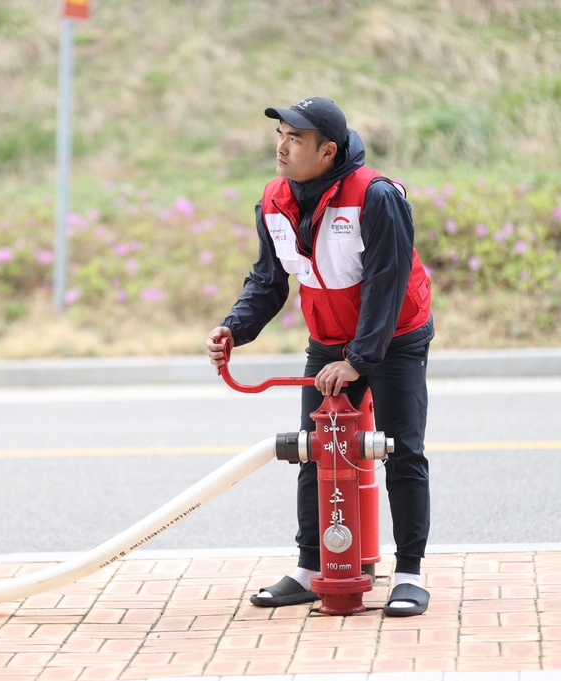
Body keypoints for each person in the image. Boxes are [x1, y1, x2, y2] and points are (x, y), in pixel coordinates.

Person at [205, 97, 434, 617]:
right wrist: (234, 328)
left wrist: (358, 360)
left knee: (402, 450)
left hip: (394, 336)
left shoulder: (376, 197)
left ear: (328, 151)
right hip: (330, 340)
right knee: (316, 448)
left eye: (295, 138)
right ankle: (311, 568)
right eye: (280, 134)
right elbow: (268, 280)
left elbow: (387, 286)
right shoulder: (273, 200)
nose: (281, 146)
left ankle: (409, 574)